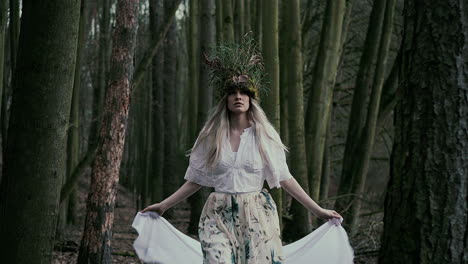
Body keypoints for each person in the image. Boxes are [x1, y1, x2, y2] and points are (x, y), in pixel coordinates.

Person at [141, 40, 342, 264]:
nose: (238, 96)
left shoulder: (265, 137)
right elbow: (195, 180)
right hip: (218, 213)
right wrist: (163, 205)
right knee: (219, 260)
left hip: (257, 214)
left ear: (251, 99)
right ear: (225, 99)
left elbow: (285, 179)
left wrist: (317, 210)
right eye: (233, 92)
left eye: (243, 92)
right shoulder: (210, 137)